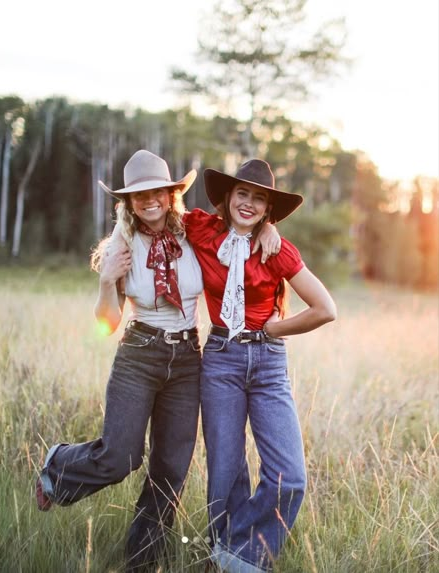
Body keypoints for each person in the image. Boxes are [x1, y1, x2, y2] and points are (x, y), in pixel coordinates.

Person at [35, 150, 204, 571]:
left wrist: (271, 229)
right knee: (122, 457)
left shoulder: (194, 235)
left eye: (157, 192)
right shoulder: (121, 244)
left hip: (187, 359)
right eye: (138, 194)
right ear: (128, 201)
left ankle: (143, 562)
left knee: (170, 470)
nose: (149, 200)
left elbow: (244, 227)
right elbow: (107, 324)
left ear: (170, 195)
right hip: (139, 355)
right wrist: (106, 280)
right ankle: (58, 468)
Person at [183, 159, 337, 572]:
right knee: (226, 470)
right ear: (228, 198)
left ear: (269, 208)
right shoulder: (202, 230)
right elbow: (160, 213)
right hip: (220, 359)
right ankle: (231, 560)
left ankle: (238, 549)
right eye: (242, 193)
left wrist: (276, 328)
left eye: (259, 198)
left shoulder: (277, 249)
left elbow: (325, 308)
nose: (248, 203)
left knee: (290, 476)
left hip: (267, 362)